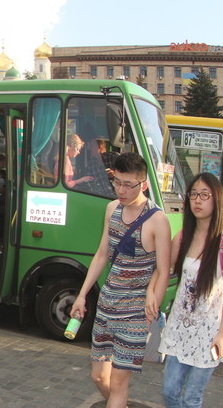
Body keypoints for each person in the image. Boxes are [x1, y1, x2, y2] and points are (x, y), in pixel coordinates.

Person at [70, 153, 172, 408]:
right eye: (117, 182)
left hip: (135, 313)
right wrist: (82, 295)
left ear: (144, 185)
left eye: (129, 184)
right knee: (98, 377)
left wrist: (153, 297)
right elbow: (102, 253)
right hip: (107, 304)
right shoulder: (111, 208)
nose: (122, 190)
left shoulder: (157, 219)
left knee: (118, 384)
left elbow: (164, 268)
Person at [158, 173, 223, 408]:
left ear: (216, 200)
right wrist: (150, 298)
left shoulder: (221, 242)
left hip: (209, 333)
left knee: (192, 398)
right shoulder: (184, 236)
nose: (198, 200)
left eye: (205, 195)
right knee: (169, 392)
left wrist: (222, 335)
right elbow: (162, 271)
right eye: (194, 194)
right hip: (179, 328)